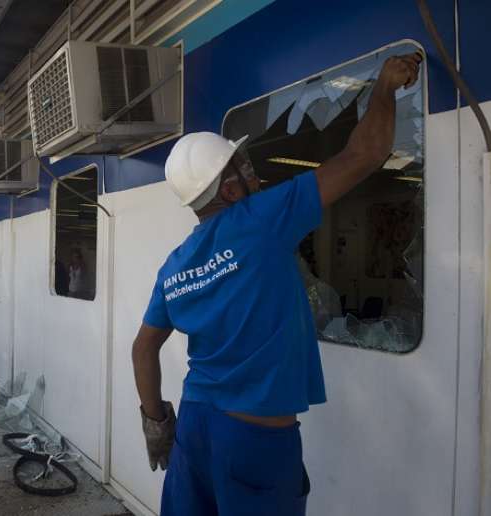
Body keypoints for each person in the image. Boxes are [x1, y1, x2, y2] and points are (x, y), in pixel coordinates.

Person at [132, 53, 422, 515]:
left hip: (194, 427)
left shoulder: (175, 265)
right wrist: (384, 87)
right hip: (255, 440)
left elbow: (144, 347)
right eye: (244, 167)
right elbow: (365, 154)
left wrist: (156, 422)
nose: (255, 173)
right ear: (228, 190)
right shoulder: (260, 219)